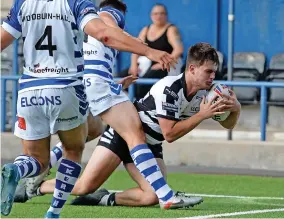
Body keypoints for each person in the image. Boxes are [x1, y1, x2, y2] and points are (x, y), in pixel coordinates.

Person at [8, 0, 197, 214]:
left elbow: (92, 57)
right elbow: (108, 31)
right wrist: (147, 50)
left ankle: (36, 177)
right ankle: (165, 195)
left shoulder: (61, 14)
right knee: (134, 133)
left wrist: (116, 82)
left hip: (76, 84)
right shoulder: (108, 13)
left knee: (92, 131)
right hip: (91, 84)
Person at [14, 43, 241, 209]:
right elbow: (169, 134)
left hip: (149, 144)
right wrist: (202, 115)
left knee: (152, 196)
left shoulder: (206, 94)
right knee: (83, 186)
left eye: (214, 72)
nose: (213, 77)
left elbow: (227, 124)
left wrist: (235, 109)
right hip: (124, 135)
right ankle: (37, 186)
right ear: (191, 69)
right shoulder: (169, 89)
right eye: (208, 71)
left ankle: (104, 199)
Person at [120, 3, 184, 99]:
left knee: (142, 85)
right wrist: (133, 66)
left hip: (165, 64)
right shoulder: (146, 29)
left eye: (162, 13)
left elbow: (179, 49)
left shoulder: (171, 29)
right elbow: (135, 49)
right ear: (151, 16)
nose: (159, 16)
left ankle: (141, 103)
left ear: (166, 15)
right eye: (156, 13)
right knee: (122, 77)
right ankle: (129, 101)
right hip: (148, 63)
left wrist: (165, 61)